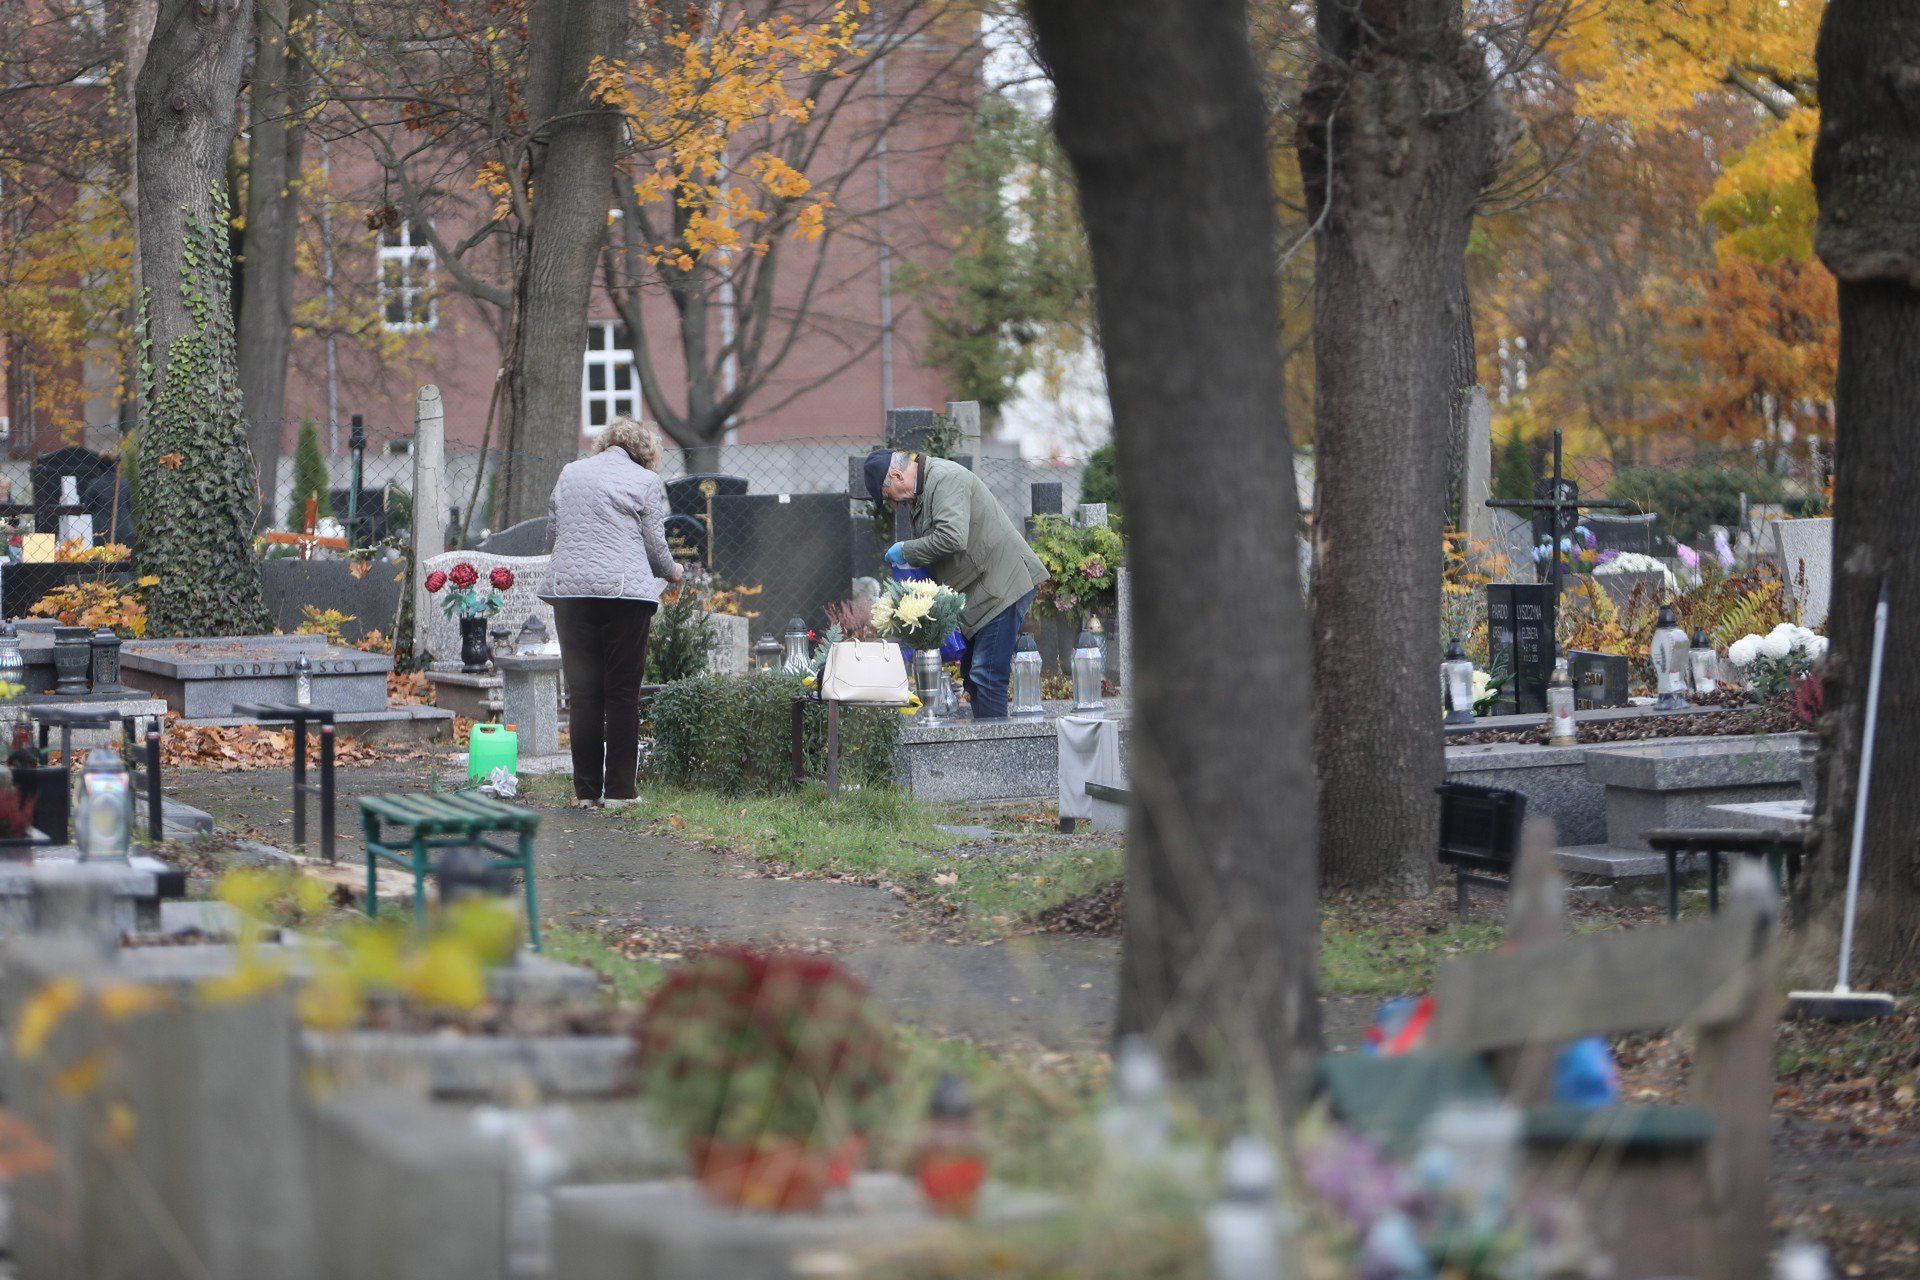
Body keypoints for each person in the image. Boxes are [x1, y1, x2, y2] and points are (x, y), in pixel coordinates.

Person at [542, 418, 681, 808]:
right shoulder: (646, 481)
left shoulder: (570, 472)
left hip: (571, 595)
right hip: (625, 599)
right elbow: (655, 546)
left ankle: (585, 792)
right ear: (646, 453)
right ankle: (620, 791)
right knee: (622, 693)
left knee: (583, 693)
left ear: (604, 443)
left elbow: (552, 535)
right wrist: (674, 572)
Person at [863, 447, 1049, 719]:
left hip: (1000, 585)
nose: (892, 503)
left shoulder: (945, 479)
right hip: (980, 589)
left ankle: (997, 754)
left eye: (887, 495)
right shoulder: (922, 491)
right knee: (974, 680)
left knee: (986, 675)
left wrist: (907, 550)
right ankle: (988, 750)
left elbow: (952, 537)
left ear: (896, 475)